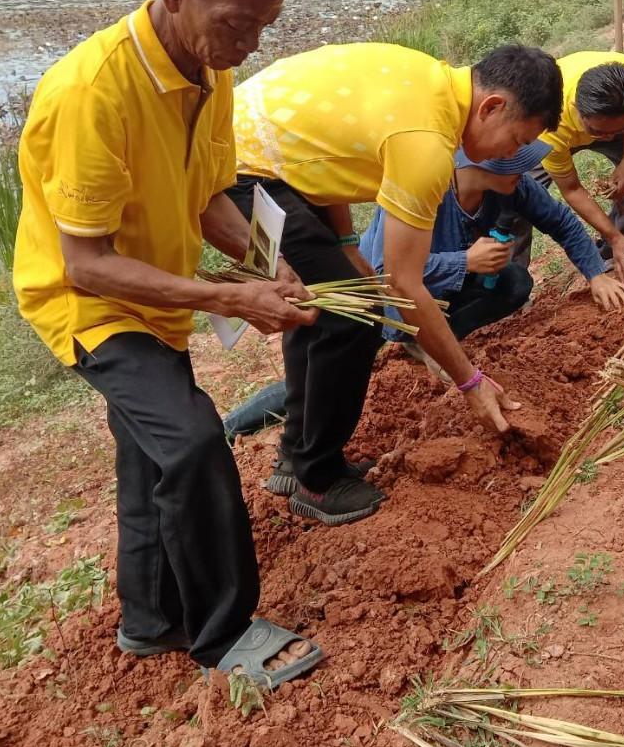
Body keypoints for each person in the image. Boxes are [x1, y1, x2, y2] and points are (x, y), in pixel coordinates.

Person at [12, 0, 323, 690]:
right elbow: (85, 265)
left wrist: (263, 267)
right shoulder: (93, 90)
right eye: (237, 23)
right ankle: (225, 634)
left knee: (149, 457)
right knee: (190, 443)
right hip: (90, 303)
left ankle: (149, 624)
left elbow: (209, 199)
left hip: (155, 288)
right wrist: (227, 300)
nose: (248, 45)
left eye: (265, 27)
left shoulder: (208, 71)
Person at [230, 42, 562, 526]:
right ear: (491, 106)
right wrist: (469, 381)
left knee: (326, 302)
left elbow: (327, 159)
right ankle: (315, 480)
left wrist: (346, 244)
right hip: (241, 170)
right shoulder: (426, 141)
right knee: (356, 315)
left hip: (271, 159)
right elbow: (406, 288)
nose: (512, 156)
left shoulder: (432, 84)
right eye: (514, 141)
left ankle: (297, 460)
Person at [360, 146, 624, 377]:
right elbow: (388, 274)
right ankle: (417, 339)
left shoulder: (513, 185)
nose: (523, 170)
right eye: (514, 162)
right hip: (393, 295)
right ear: (480, 163)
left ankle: (446, 335)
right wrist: (464, 261)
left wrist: (596, 273)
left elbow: (559, 220)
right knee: (400, 300)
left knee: (515, 281)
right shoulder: (421, 188)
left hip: (447, 282)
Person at [509, 51, 624, 279]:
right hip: (556, 134)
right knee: (517, 193)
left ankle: (617, 245)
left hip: (596, 120)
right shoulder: (552, 123)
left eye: (618, 130)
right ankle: (513, 280)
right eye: (598, 132)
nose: (608, 139)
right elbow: (572, 189)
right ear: (576, 108)